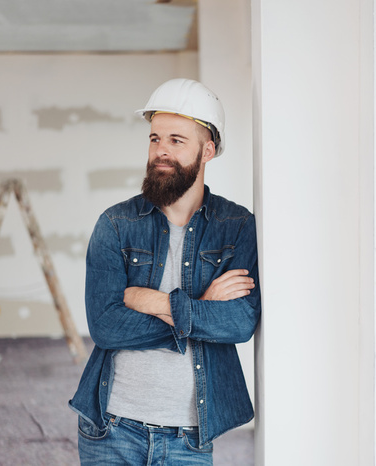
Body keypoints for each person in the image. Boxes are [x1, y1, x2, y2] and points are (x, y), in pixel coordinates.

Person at [69, 78, 261, 465]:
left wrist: (153, 301)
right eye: (155, 138)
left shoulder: (236, 225)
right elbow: (106, 326)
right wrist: (202, 308)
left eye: (176, 140)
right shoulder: (116, 223)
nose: (161, 151)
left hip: (187, 437)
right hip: (111, 427)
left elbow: (240, 322)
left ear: (207, 151)